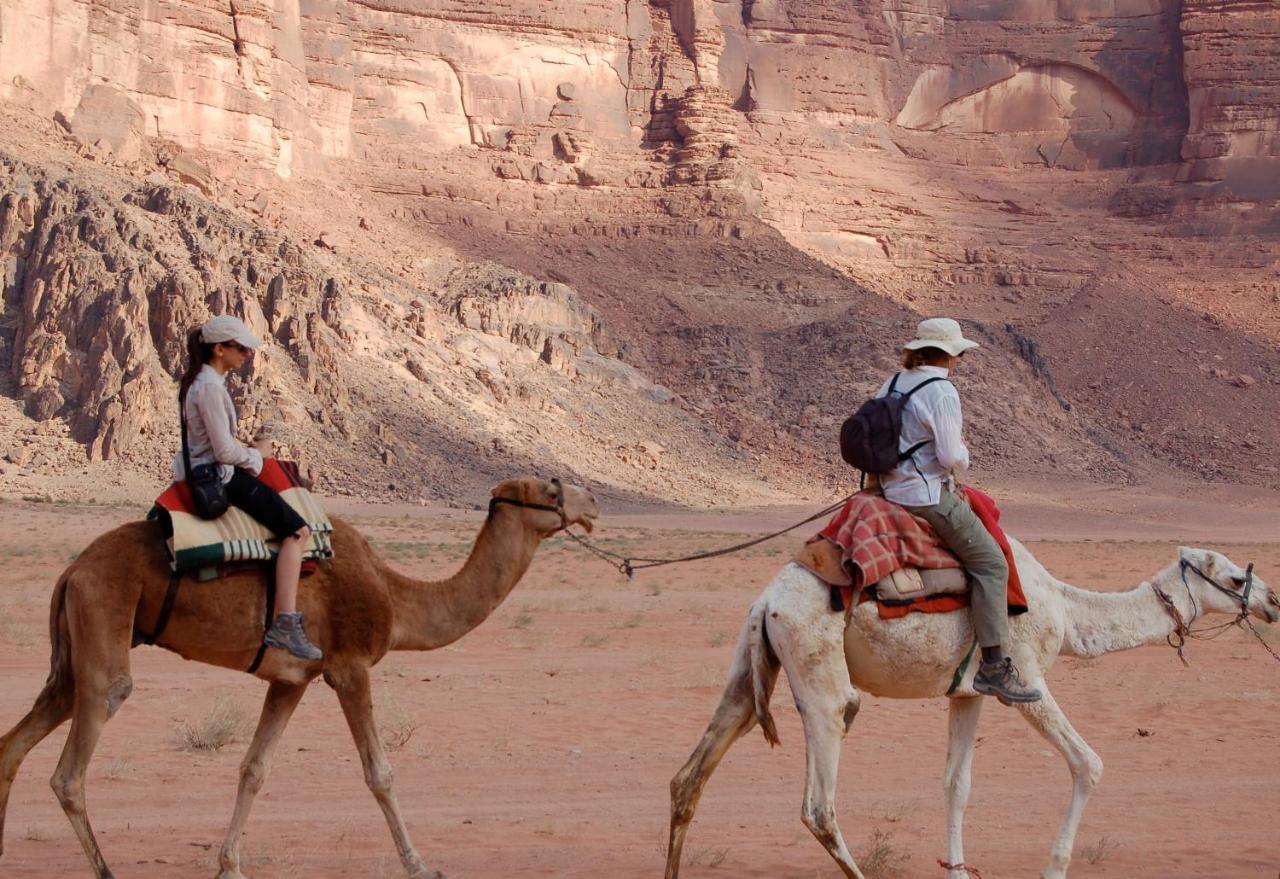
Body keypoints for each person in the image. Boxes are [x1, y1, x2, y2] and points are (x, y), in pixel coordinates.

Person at [874, 317, 1040, 704]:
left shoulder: (894, 382)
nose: (961, 360)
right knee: (992, 563)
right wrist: (965, 454)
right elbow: (950, 456)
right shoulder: (942, 391)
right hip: (926, 495)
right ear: (950, 355)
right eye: (960, 353)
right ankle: (995, 667)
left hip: (887, 489)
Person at [174, 315, 323, 662]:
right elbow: (224, 452)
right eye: (239, 348)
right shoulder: (209, 388)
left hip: (207, 466)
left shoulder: (203, 382)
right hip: (221, 475)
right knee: (297, 532)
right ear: (219, 349)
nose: (245, 354)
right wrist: (256, 455)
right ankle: (285, 620)